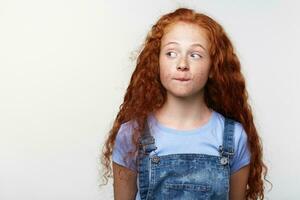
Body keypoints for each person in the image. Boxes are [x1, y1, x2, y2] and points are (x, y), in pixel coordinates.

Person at [100, 7, 270, 200]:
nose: (182, 64)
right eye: (171, 53)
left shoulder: (234, 137)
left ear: (213, 66)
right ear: (156, 62)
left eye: (195, 55)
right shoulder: (131, 134)